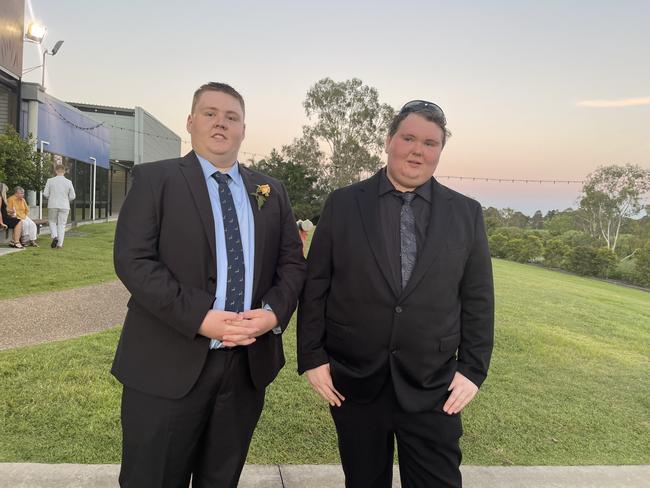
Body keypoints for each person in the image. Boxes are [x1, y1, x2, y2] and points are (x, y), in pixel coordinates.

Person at [112, 82, 306, 487]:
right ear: (190, 122)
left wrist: (270, 315)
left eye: (231, 117)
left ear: (243, 130)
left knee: (221, 479)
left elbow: (292, 264)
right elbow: (134, 261)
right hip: (167, 364)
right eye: (210, 113)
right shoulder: (155, 180)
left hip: (244, 369)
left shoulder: (270, 191)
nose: (221, 123)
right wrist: (200, 317)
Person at [298, 100, 494, 488]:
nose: (418, 150)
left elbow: (478, 299)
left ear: (440, 151)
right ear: (389, 141)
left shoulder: (466, 213)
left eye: (430, 142)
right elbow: (316, 284)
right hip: (354, 381)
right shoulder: (344, 203)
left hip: (433, 385)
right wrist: (313, 357)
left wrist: (472, 369)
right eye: (408, 138)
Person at [43, 164, 76, 249]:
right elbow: (73, 196)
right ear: (64, 171)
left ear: (55, 171)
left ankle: (54, 236)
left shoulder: (50, 181)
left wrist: (51, 197)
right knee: (62, 224)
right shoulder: (69, 182)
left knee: (52, 221)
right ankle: (59, 244)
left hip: (53, 204)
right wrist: (66, 199)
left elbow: (45, 194)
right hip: (65, 205)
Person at [0, 182, 24, 248]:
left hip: (5, 216)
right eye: (5, 191)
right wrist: (1, 222)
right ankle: (16, 242)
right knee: (19, 222)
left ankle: (13, 241)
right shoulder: (0, 197)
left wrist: (10, 211)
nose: (6, 192)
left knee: (18, 221)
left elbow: (2, 210)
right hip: (3, 218)